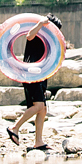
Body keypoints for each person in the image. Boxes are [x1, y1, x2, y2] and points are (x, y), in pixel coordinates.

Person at [6, 13, 62, 151]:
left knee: (43, 109)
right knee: (38, 106)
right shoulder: (37, 32)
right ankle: (14, 127)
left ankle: (38, 142)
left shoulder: (49, 39)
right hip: (30, 73)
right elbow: (29, 36)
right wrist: (41, 23)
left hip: (41, 75)